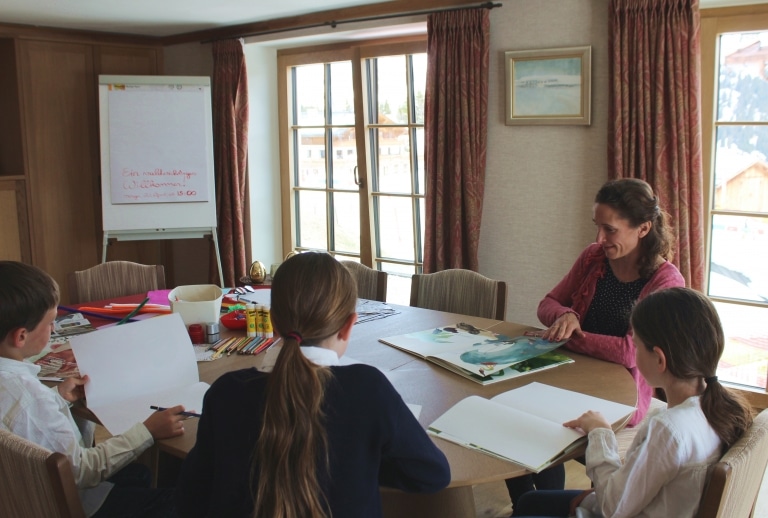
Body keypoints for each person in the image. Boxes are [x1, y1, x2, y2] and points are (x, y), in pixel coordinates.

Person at [176, 252, 451, 518]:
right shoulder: (368, 389)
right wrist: (362, 463)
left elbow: (193, 497)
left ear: (272, 323)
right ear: (348, 326)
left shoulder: (227, 392)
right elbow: (432, 475)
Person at [506, 178, 685, 508]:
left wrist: (573, 336)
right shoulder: (593, 257)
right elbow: (547, 303)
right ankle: (535, 504)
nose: (599, 239)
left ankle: (537, 506)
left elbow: (630, 352)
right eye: (597, 227)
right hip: (572, 376)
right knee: (507, 415)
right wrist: (566, 315)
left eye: (610, 230)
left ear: (643, 228)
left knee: (532, 426)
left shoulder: (665, 280)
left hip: (622, 396)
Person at [512, 287, 754, 517]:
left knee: (528, 506)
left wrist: (600, 433)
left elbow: (613, 507)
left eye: (636, 345)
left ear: (659, 359)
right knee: (529, 502)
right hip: (655, 505)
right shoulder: (721, 407)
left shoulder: (668, 429)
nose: (634, 353)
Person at [0, 260, 187, 518]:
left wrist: (59, 399)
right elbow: (82, 471)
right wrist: (148, 430)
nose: (54, 329)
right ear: (20, 336)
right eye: (51, 322)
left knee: (138, 474)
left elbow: (22, 419)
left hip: (19, 497)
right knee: (183, 498)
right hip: (71, 504)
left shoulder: (19, 391)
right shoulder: (31, 398)